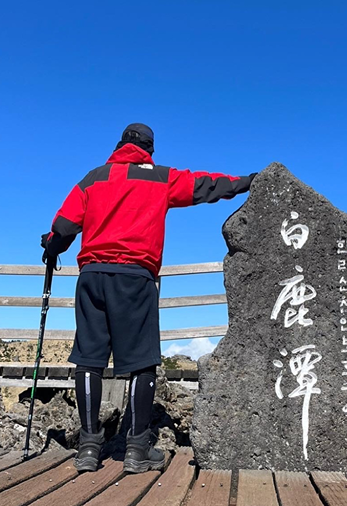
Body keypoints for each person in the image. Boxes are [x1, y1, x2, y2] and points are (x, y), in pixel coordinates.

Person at [41, 123, 256, 474]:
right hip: (134, 276)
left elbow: (64, 227)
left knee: (89, 358)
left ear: (119, 145)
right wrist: (248, 181)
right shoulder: (161, 178)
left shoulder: (93, 178)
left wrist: (51, 245)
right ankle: (137, 448)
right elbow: (206, 185)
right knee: (141, 361)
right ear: (149, 150)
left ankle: (88, 448)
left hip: (92, 275)